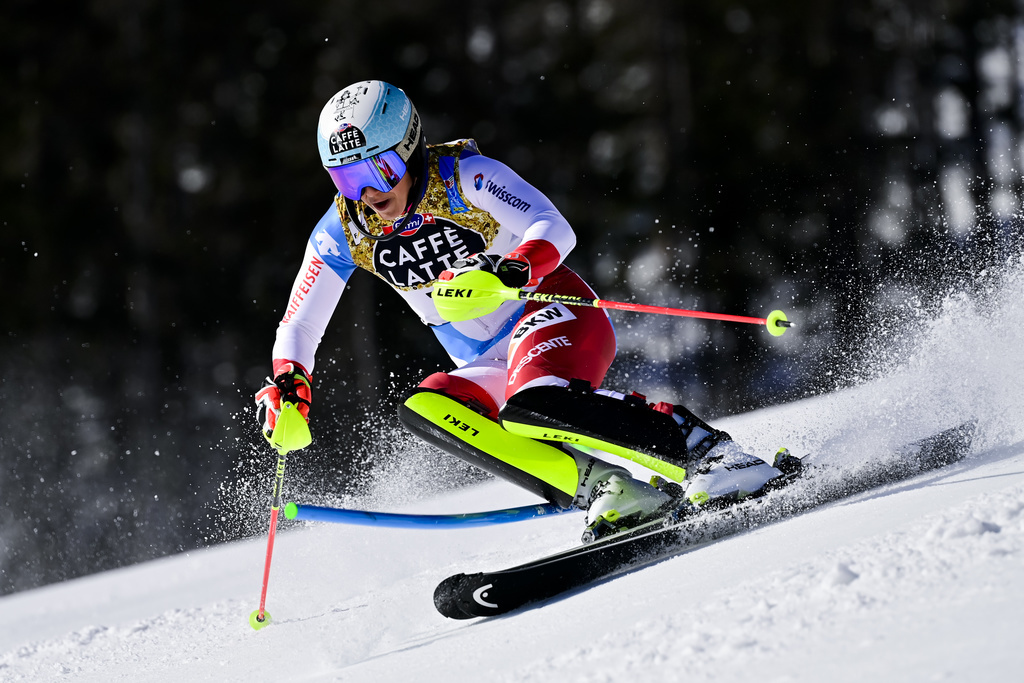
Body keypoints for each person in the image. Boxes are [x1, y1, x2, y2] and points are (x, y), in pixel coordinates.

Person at [255, 80, 797, 542]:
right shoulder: (344, 230)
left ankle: (710, 454)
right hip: (491, 358)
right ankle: (609, 489)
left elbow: (554, 226)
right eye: (348, 178)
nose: (368, 192)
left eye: (379, 168)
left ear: (411, 144)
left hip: (555, 312)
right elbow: (300, 320)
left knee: (532, 401)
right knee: (428, 408)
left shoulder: (465, 178)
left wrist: (508, 272)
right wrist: (289, 384)